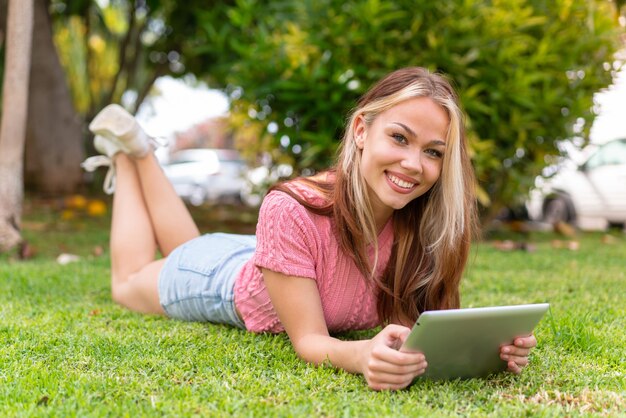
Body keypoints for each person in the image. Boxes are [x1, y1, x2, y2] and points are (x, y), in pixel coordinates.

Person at [81, 67, 537, 391]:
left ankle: (138, 151)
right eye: (399, 138)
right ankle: (128, 155)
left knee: (189, 244)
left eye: (433, 152)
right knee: (131, 280)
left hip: (279, 260)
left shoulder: (426, 224)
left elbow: (427, 325)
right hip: (217, 281)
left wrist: (490, 348)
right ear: (361, 130)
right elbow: (311, 342)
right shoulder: (291, 208)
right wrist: (359, 356)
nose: (413, 164)